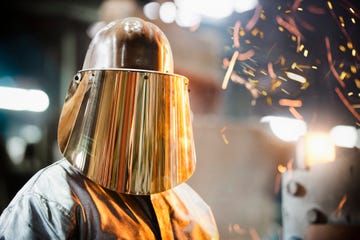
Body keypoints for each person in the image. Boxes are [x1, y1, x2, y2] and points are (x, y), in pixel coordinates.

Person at [0, 17, 219, 239]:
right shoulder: (54, 201)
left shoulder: (195, 213)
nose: (135, 119)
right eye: (123, 101)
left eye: (147, 101)